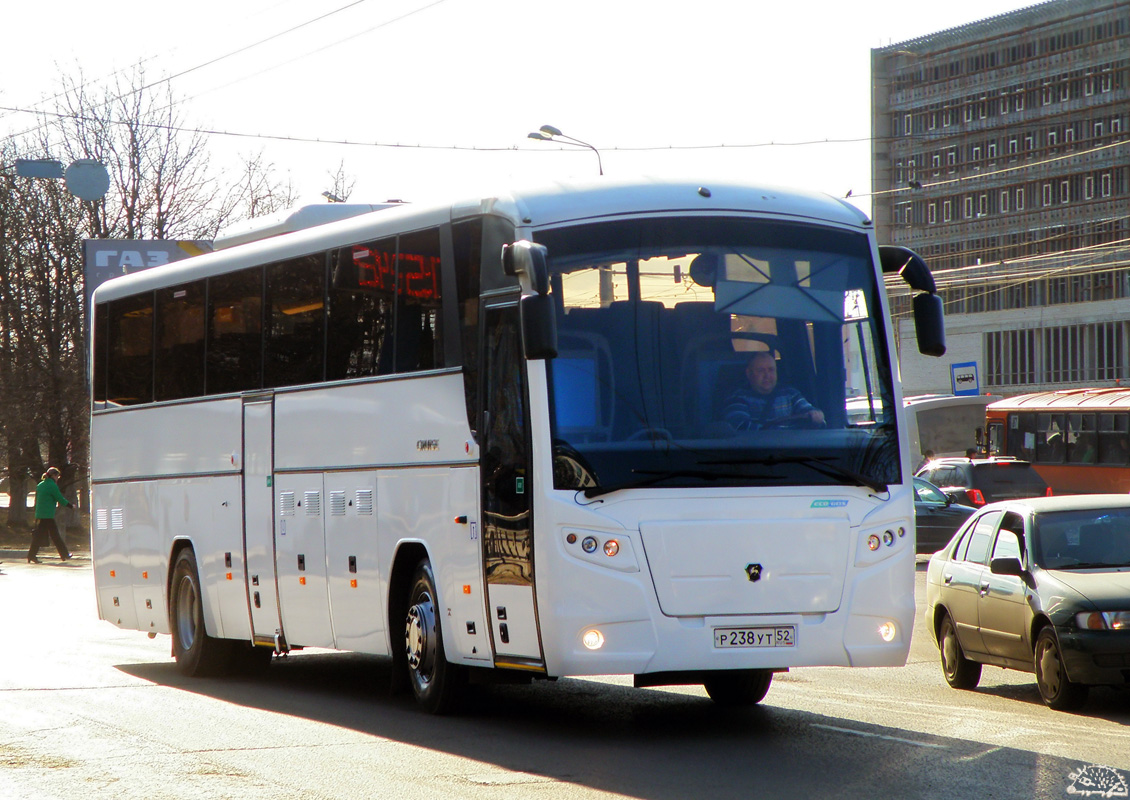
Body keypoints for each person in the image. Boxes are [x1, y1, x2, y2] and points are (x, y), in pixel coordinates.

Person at [723, 351, 824, 431]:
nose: (767, 376)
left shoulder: (790, 394)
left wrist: (816, 416)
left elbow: (808, 411)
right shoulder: (737, 398)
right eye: (761, 370)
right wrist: (787, 433)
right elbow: (740, 427)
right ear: (749, 373)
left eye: (771, 370)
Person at [28, 467, 71, 564]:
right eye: (57, 476)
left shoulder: (40, 485)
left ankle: (31, 555)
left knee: (38, 537)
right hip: (48, 515)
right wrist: (71, 506)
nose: (58, 478)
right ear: (53, 475)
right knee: (55, 536)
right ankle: (64, 554)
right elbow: (60, 498)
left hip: (40, 514)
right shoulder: (52, 485)